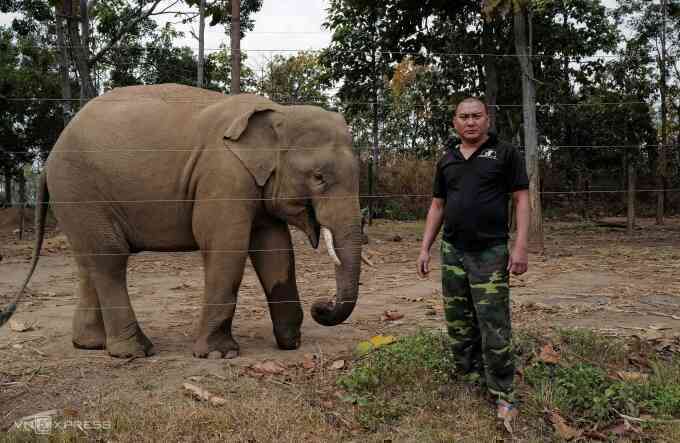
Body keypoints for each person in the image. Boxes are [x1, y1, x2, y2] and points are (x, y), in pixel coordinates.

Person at [416, 97, 530, 421]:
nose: (470, 122)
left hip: (490, 252)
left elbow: (521, 200)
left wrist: (521, 246)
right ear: (455, 122)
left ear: (487, 120)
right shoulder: (447, 159)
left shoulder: (506, 154)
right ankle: (469, 379)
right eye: (464, 117)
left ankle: (503, 393)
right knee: (459, 323)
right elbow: (437, 206)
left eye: (476, 116)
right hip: (453, 252)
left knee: (493, 325)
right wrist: (425, 247)